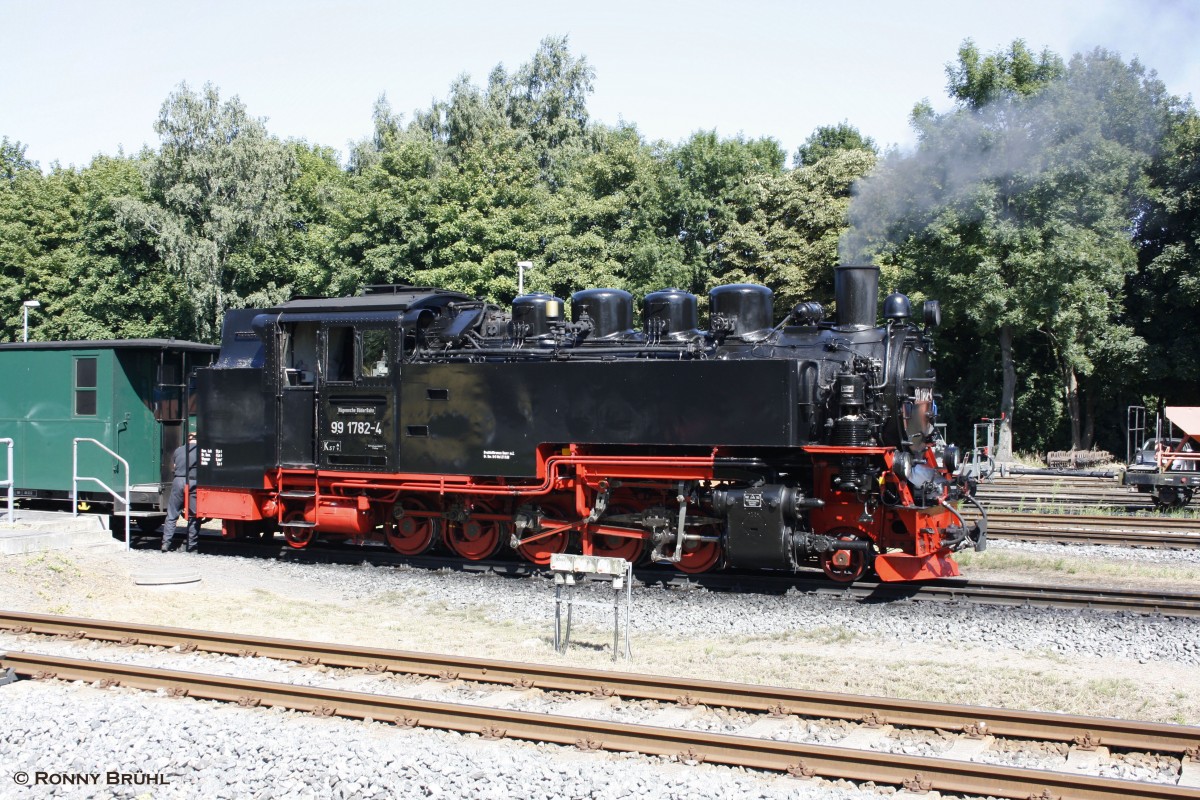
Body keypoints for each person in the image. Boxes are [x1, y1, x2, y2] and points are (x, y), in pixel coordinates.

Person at [162, 430, 200, 552]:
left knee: (172, 514)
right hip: (194, 482)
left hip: (178, 481)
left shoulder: (178, 450)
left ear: (188, 439)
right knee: (194, 515)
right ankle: (191, 545)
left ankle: (165, 543)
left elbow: (173, 467)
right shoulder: (200, 451)